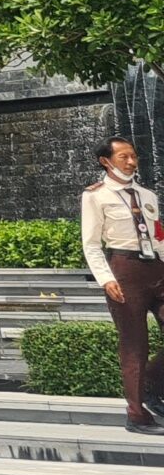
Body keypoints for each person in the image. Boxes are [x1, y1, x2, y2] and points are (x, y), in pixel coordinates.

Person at [80, 136, 164, 431]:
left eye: (133, 156)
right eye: (123, 157)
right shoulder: (95, 196)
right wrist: (106, 279)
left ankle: (152, 384)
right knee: (134, 344)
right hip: (124, 270)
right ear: (106, 161)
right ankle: (136, 414)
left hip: (157, 267)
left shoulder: (147, 196)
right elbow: (91, 245)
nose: (131, 161)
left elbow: (159, 237)